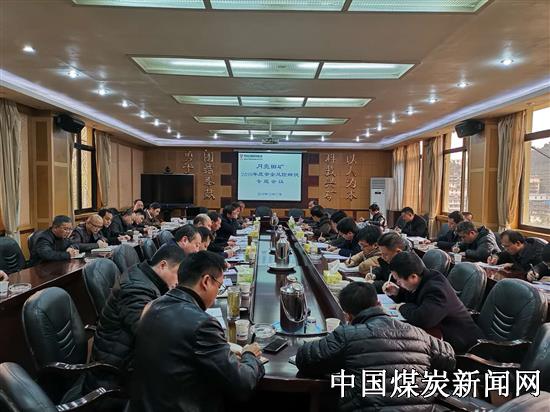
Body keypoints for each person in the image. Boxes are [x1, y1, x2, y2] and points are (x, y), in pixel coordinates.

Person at [128, 251, 265, 412]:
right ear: (206, 281)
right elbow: (242, 384)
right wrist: (250, 355)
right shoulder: (202, 324)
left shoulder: (153, 305)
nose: (217, 292)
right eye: (219, 286)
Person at [296, 282, 455, 411]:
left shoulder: (347, 335)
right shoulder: (418, 333)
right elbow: (449, 359)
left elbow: (305, 359)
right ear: (379, 303)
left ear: (347, 316)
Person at [86, 245, 186, 392]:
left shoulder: (146, 275)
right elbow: (152, 334)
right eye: (178, 274)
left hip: (130, 356)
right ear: (163, 265)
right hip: (117, 375)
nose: (179, 281)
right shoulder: (136, 289)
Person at [384, 251, 483, 353]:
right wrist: (397, 293)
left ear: (413, 277)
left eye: (398, 280)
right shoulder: (425, 278)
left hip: (465, 348)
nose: (398, 283)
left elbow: (423, 319)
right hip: (442, 337)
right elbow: (416, 300)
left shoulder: (436, 289)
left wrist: (402, 307)